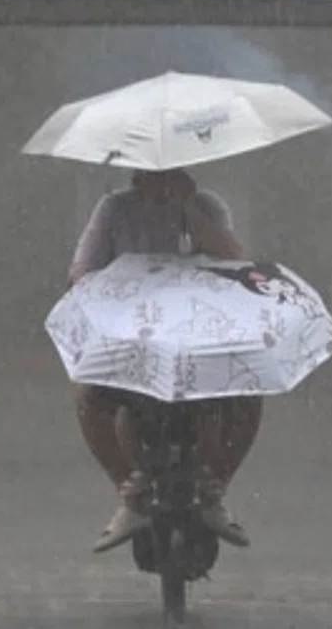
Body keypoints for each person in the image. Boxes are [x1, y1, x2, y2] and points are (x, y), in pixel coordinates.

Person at [68, 167, 264, 553]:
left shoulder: (208, 206)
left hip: (199, 338)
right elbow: (81, 271)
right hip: (133, 338)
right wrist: (104, 288)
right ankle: (131, 494)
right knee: (89, 394)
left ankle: (214, 491)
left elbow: (236, 260)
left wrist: (189, 209)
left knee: (249, 392)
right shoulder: (113, 210)